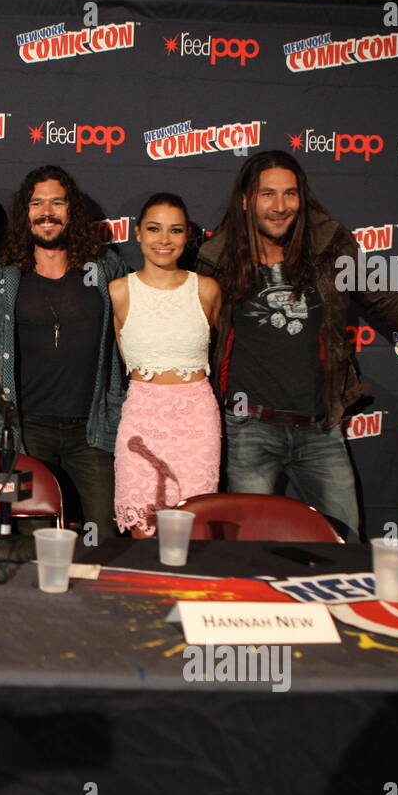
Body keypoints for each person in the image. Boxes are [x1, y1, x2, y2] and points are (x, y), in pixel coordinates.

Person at [196, 150, 398, 541]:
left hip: (319, 428)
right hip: (248, 429)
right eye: (267, 194)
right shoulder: (216, 259)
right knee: (248, 551)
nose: (280, 206)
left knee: (346, 545)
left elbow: (382, 298)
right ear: (245, 200)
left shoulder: (329, 247)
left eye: (289, 194)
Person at [0, 166, 128, 537]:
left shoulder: (105, 266)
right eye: (37, 203)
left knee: (104, 538)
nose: (47, 211)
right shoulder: (4, 277)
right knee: (30, 541)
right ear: (25, 213)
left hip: (92, 430)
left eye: (57, 202)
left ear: (71, 211)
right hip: (26, 431)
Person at [110, 193, 221, 537]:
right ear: (138, 233)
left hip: (196, 420)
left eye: (174, 231)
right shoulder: (118, 291)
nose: (163, 240)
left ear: (187, 236)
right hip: (142, 418)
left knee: (194, 529)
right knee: (143, 530)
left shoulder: (206, 289)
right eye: (154, 229)